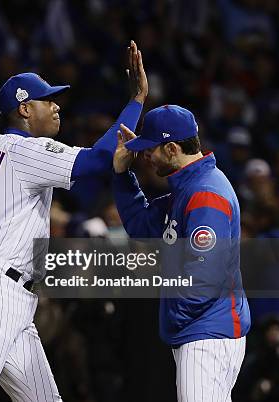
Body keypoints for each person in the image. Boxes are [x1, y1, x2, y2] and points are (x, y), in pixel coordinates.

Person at [0, 41, 148, 401]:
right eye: (48, 100)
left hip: (5, 292)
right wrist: (135, 101)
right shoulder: (25, 150)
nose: (57, 107)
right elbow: (100, 159)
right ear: (24, 109)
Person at [112, 105, 251, 402]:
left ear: (173, 148)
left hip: (207, 332)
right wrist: (122, 175)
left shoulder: (205, 194)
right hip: (203, 329)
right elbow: (142, 226)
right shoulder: (187, 188)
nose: (146, 156)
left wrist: (175, 316)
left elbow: (204, 281)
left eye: (151, 149)